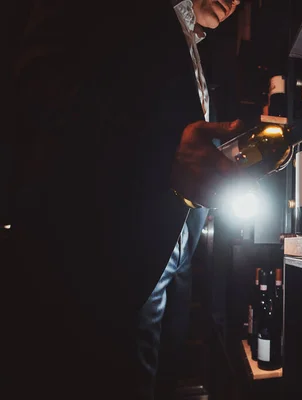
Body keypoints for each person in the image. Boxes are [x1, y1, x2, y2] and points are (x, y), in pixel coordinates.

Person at [9, 0, 243, 399]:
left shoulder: (184, 45)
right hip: (103, 254)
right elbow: (38, 87)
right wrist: (163, 151)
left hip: (175, 250)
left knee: (158, 379)